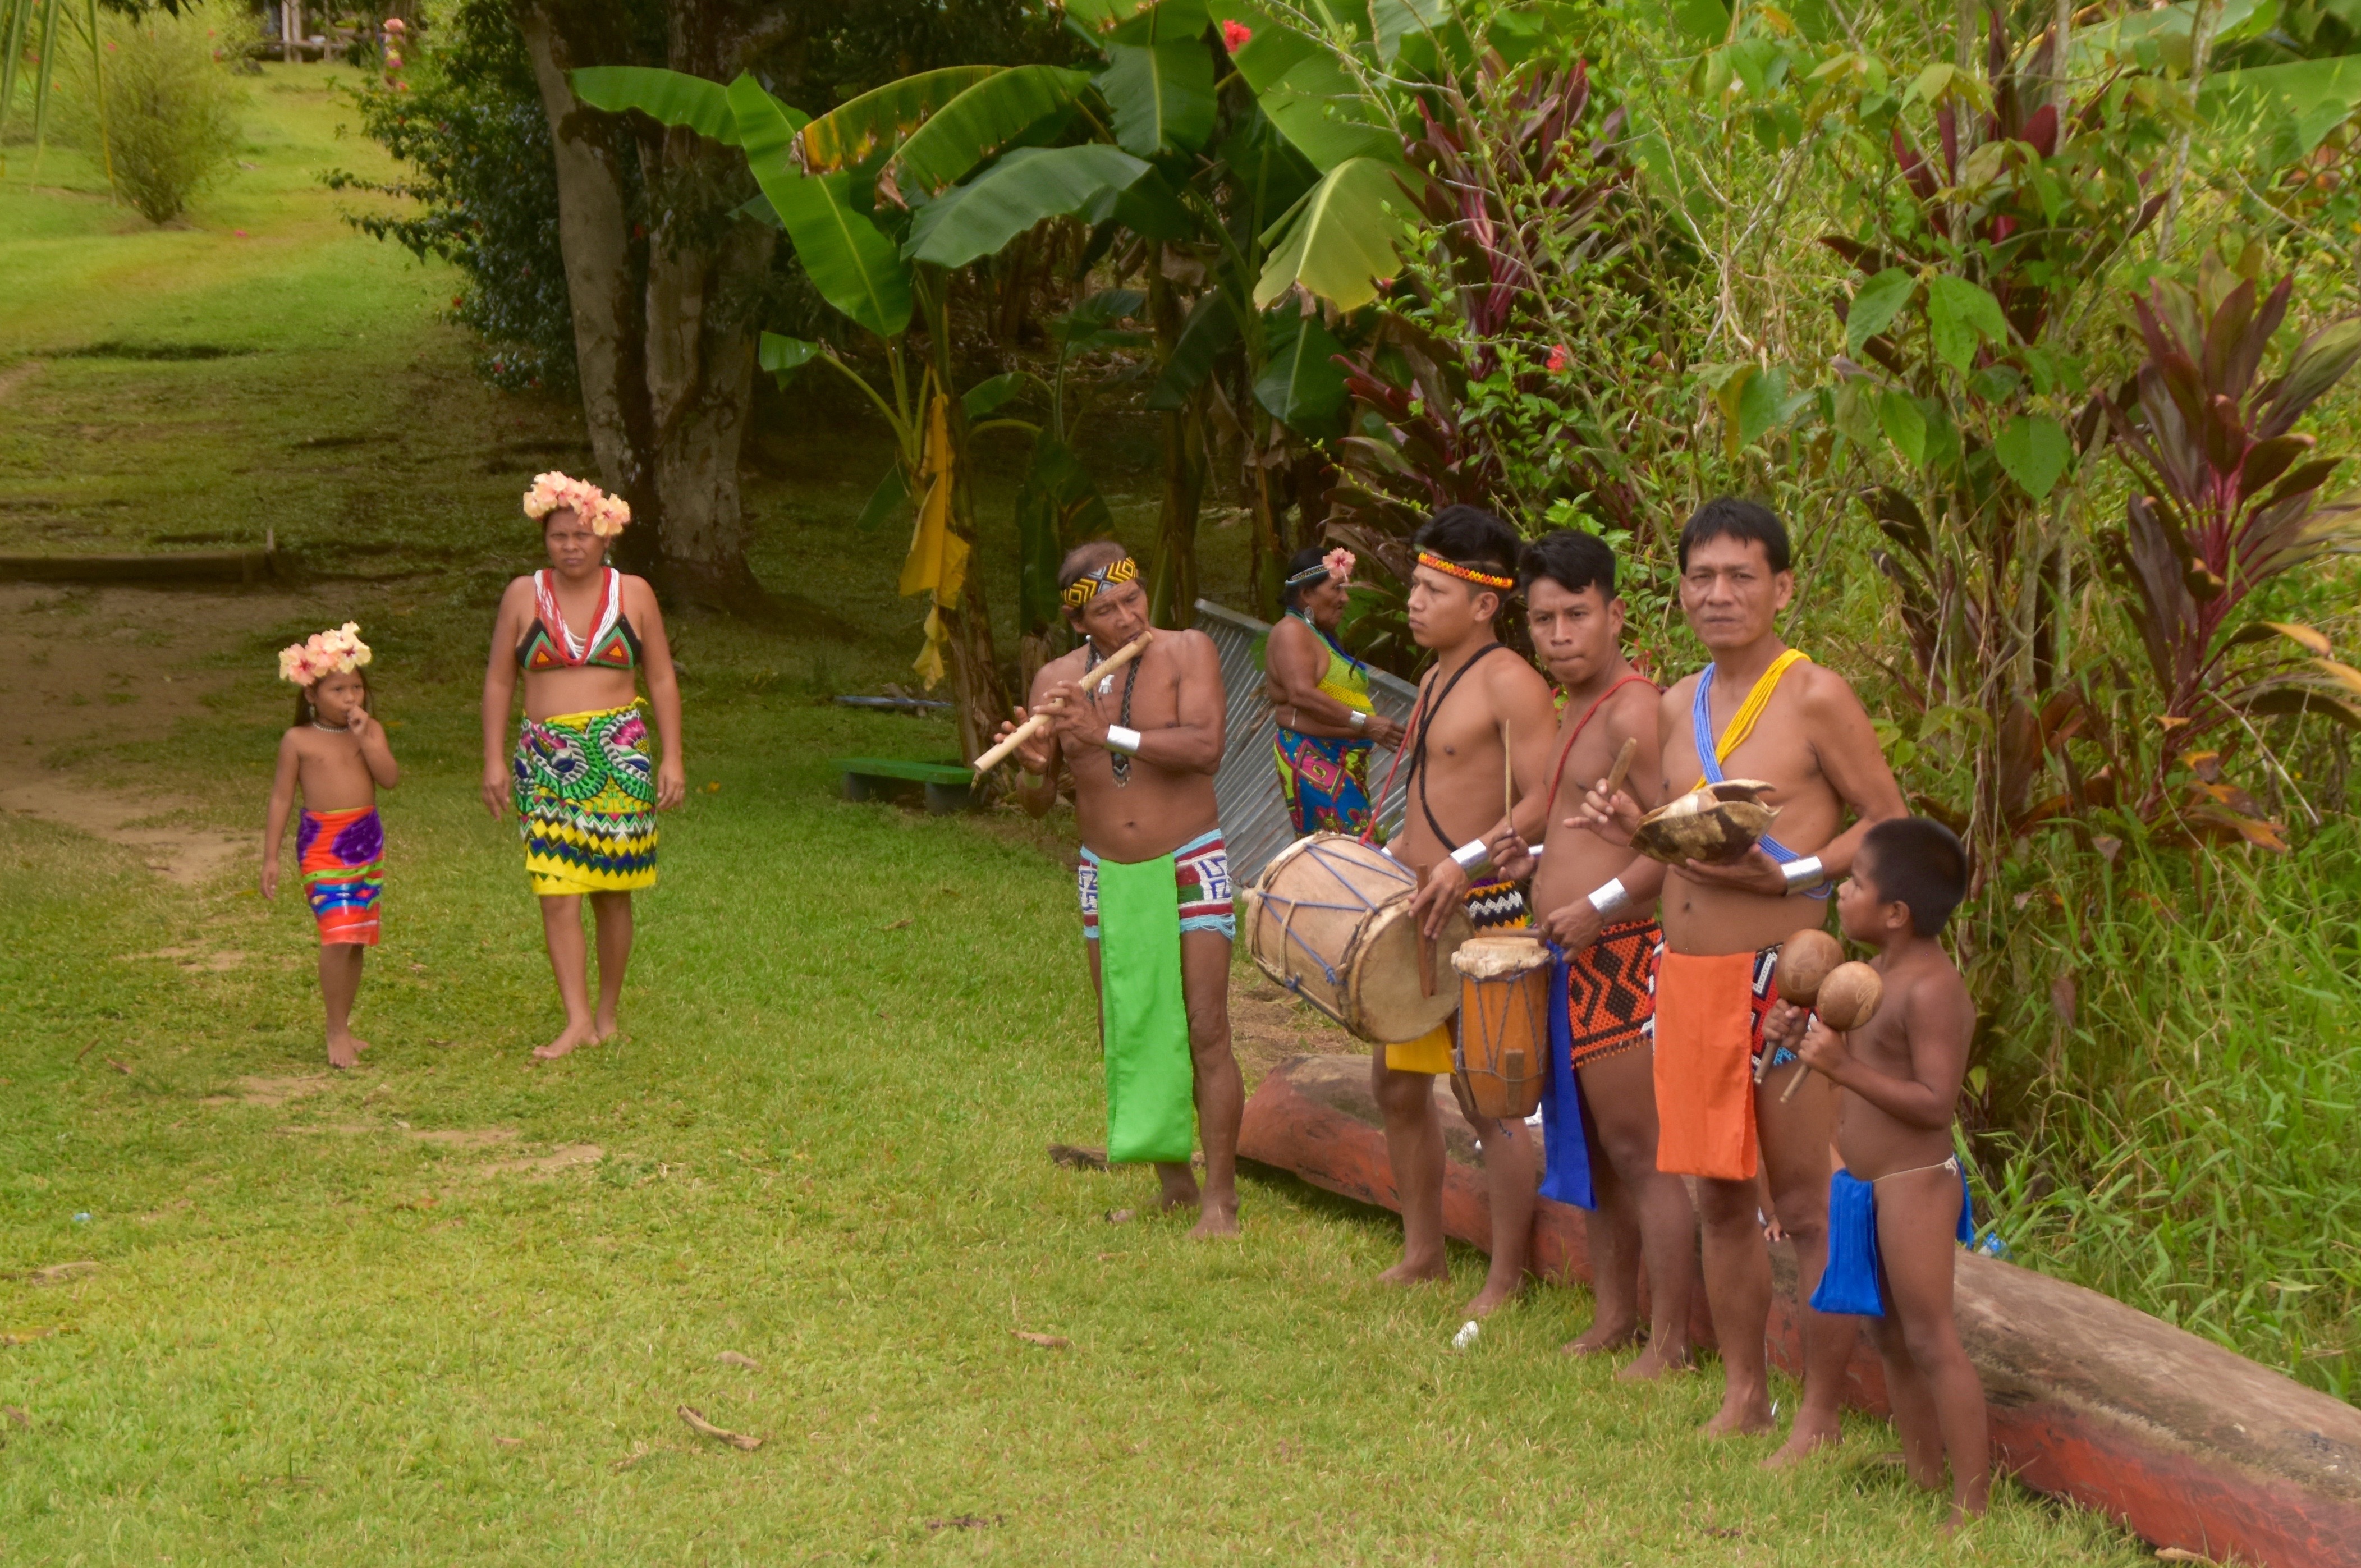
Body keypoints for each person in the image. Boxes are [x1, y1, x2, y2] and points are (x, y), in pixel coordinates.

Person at [1576, 497, 1904, 1455]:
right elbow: (1689, 839)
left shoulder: (1814, 695)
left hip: (1782, 977)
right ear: (1678, 591)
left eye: (1740, 576)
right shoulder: (1677, 703)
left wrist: (1795, 871)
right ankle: (1744, 1390)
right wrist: (1627, 827)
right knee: (1717, 1195)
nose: (1718, 594)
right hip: (1682, 974)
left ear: (1782, 586)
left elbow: (1886, 818)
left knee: (1803, 1203)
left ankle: (1819, 1411)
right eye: (1701, 577)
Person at [1491, 529, 1696, 1377]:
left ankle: (1671, 1340)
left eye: (1575, 614)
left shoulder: (1631, 709)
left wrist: (1599, 903)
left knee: (1640, 1151)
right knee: (1599, 1149)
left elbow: (1674, 842)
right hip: (1574, 949)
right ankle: (1614, 1315)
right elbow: (1580, 826)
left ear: (1614, 613)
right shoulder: (1576, 702)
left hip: (1622, 952)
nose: (1558, 634)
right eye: (1541, 619)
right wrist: (1530, 863)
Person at [996, 541, 1243, 1237]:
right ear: (1081, 624)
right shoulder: (1055, 677)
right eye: (1106, 610)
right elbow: (1038, 804)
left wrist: (1106, 733)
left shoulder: (1189, 650)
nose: (1128, 617)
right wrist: (1038, 766)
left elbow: (1205, 748)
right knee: (1133, 1026)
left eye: (1132, 599)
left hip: (1189, 854)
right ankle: (1175, 1186)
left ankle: (1222, 1199)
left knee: (1205, 1027)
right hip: (1104, 868)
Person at [1381, 506, 1560, 1316]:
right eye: (1413, 586)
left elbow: (1544, 799)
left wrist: (1464, 861)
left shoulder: (1512, 682)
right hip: (1419, 906)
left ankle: (1505, 1276)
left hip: (1485, 907)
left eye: (1431, 589)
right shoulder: (1429, 679)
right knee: (1394, 1083)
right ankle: (1422, 1252)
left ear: (1485, 602)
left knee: (1487, 1100)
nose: (1413, 602)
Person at [1796, 817, 1988, 1528]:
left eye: (1854, 884)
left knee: (1931, 1335)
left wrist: (1842, 1067)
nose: (1841, 894)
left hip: (1914, 1182)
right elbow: (1849, 1062)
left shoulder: (1932, 990)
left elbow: (1936, 1101)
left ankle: (1970, 1504)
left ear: (1896, 913)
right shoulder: (1871, 976)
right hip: (1863, 1185)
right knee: (1888, 1333)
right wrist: (1808, 1040)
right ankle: (1921, 1467)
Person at [480, 473, 685, 1061]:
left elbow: (663, 678)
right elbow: (499, 680)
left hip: (618, 753)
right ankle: (574, 1020)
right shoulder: (523, 595)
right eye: (559, 535)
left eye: (583, 535)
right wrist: (494, 757)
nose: (570, 545)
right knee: (556, 890)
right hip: (544, 758)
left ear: (606, 538)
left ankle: (606, 1014)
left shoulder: (635, 593)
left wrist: (673, 756)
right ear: (545, 538)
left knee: (612, 892)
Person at [262, 623, 398, 1070]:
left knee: (355, 937)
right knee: (336, 934)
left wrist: (365, 737)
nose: (351, 698)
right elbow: (282, 797)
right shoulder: (297, 741)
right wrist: (270, 857)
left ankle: (345, 1021)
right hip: (322, 843)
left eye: (357, 687)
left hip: (365, 839)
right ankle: (334, 1030)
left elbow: (390, 779)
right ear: (311, 695)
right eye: (338, 689)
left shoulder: (369, 729)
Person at [1265, 544, 1406, 838]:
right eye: (1337, 589)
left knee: (1346, 853)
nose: (1345, 599)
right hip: (1313, 756)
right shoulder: (1291, 631)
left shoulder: (1315, 633)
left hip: (1340, 758)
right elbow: (1301, 694)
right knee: (1352, 852)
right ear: (1306, 594)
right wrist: (1364, 724)